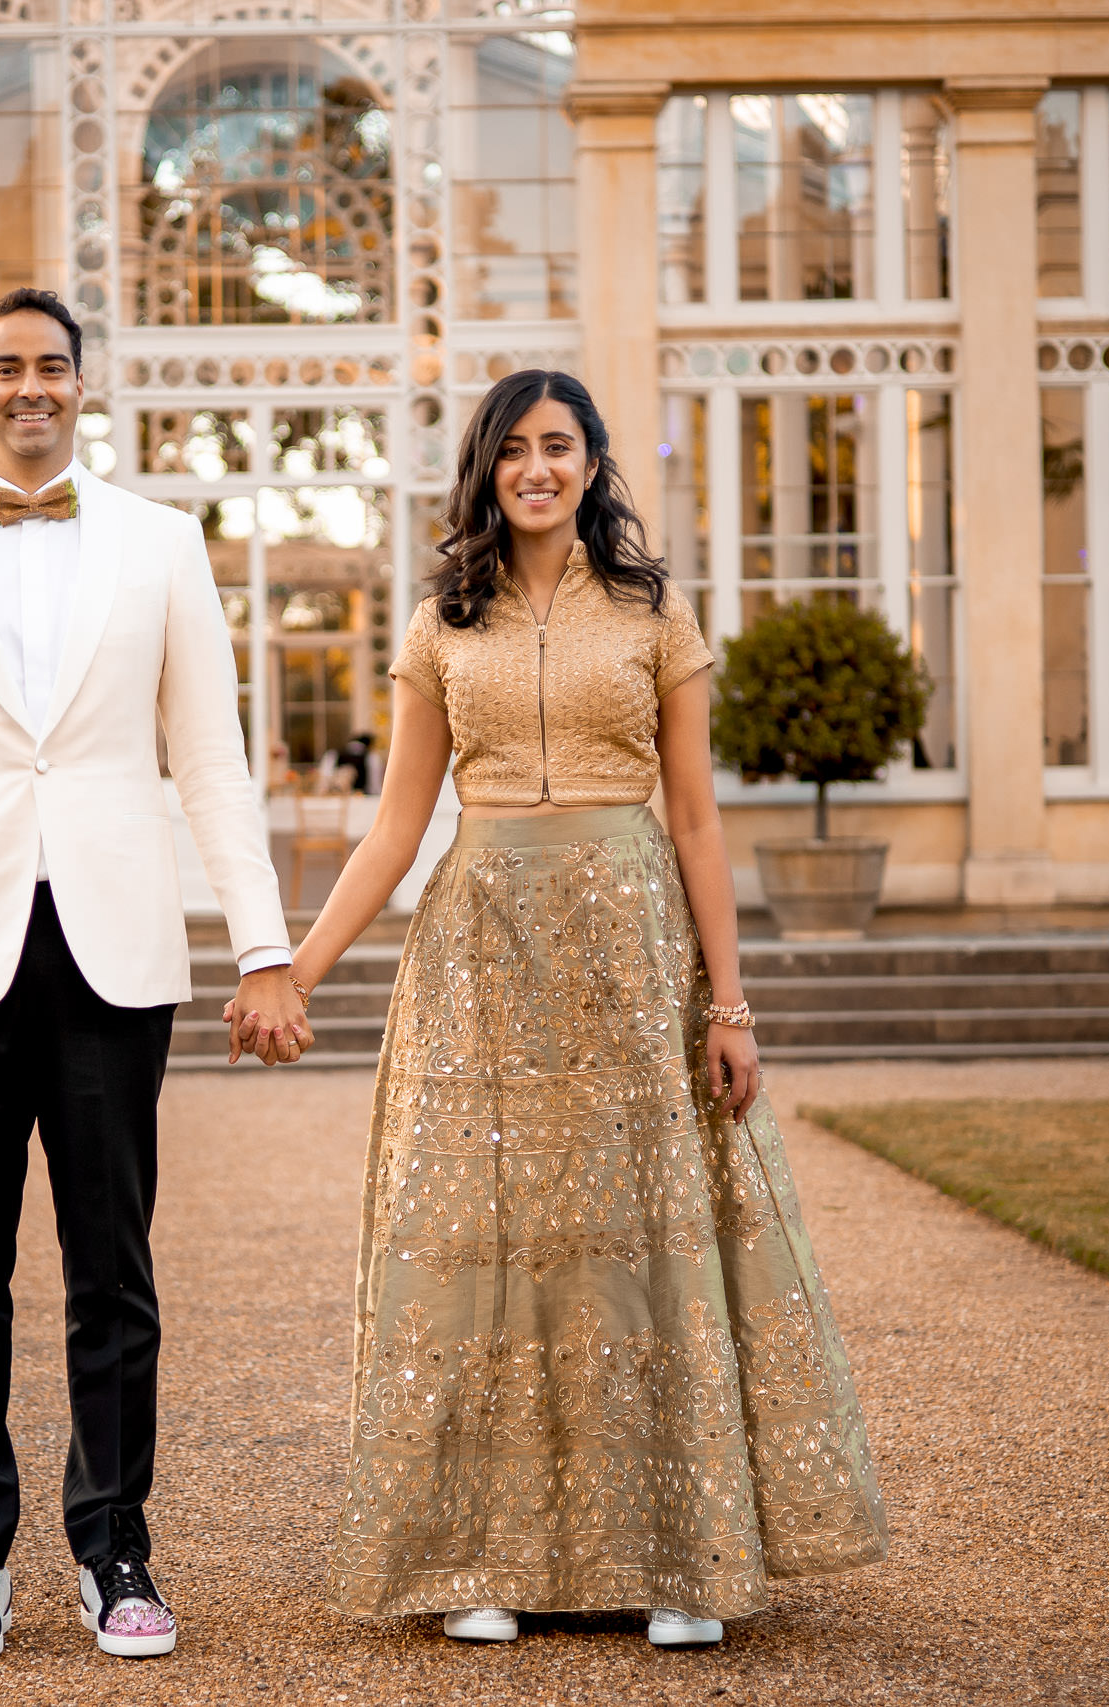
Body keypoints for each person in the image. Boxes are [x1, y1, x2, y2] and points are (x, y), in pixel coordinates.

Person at [278, 369, 888, 1645]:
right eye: (514, 450)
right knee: (484, 1241)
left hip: (630, 951)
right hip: (481, 947)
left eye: (559, 447)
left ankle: (681, 1557)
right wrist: (299, 968)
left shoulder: (653, 617)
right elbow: (395, 828)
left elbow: (699, 820)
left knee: (643, 1234)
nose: (536, 469)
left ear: (595, 464)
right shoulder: (441, 622)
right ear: (486, 471)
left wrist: (732, 1007)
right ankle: (479, 1559)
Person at [0, 288, 312, 1669]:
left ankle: (115, 1543)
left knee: (114, 1270)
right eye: (6, 366)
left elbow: (209, 754)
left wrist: (262, 943)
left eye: (52, 366)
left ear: (84, 386)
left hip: (115, 945)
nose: (31, 386)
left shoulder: (163, 542)